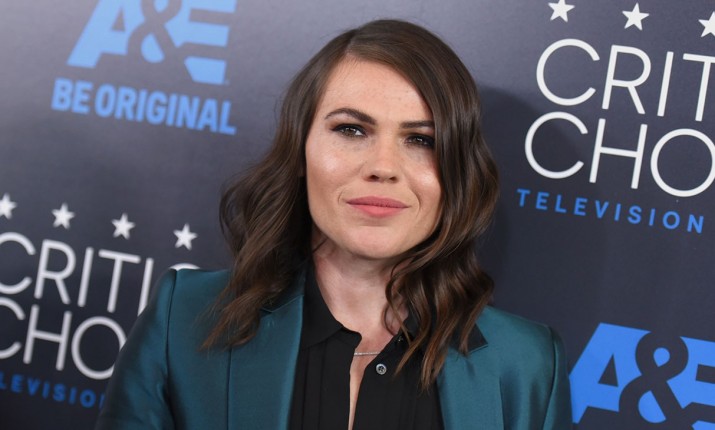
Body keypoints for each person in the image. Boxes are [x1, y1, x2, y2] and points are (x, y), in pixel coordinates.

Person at [96, 19, 571, 430]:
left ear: (457, 173)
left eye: (421, 140)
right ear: (300, 151)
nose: (383, 167)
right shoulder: (184, 319)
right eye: (351, 129)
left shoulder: (527, 366)